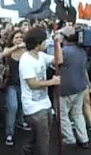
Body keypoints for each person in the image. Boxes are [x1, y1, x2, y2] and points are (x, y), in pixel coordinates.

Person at [19, 27, 62, 155]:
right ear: (37, 43)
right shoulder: (26, 60)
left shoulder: (41, 55)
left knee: (34, 136)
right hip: (33, 107)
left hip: (45, 103)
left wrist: (57, 43)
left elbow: (59, 60)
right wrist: (52, 82)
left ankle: (25, 151)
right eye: (44, 41)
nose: (46, 43)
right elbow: (32, 84)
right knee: (44, 139)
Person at [59, 26, 91, 149]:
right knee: (78, 113)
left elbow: (56, 63)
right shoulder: (82, 51)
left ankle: (69, 138)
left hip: (67, 88)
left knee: (63, 114)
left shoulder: (64, 52)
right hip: (81, 86)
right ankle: (84, 139)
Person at [2, 30, 30, 146]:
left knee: (21, 105)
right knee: (12, 107)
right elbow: (3, 54)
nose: (19, 40)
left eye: (21, 38)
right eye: (16, 38)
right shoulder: (9, 50)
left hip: (24, 84)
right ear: (12, 39)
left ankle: (20, 121)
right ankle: (9, 133)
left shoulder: (26, 52)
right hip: (11, 84)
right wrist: (17, 46)